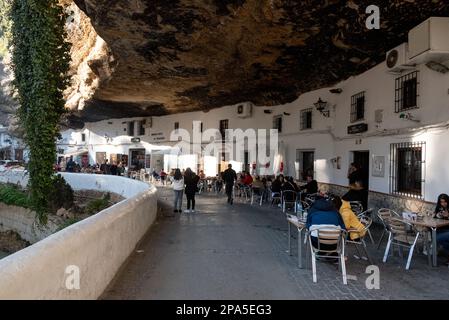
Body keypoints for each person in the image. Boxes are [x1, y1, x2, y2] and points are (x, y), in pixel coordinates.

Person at [434, 194, 449, 265]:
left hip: (447, 231)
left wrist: (448, 216)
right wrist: (438, 215)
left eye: (445, 202)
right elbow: (434, 217)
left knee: (436, 239)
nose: (443, 204)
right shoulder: (439, 208)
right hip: (440, 230)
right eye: (441, 202)